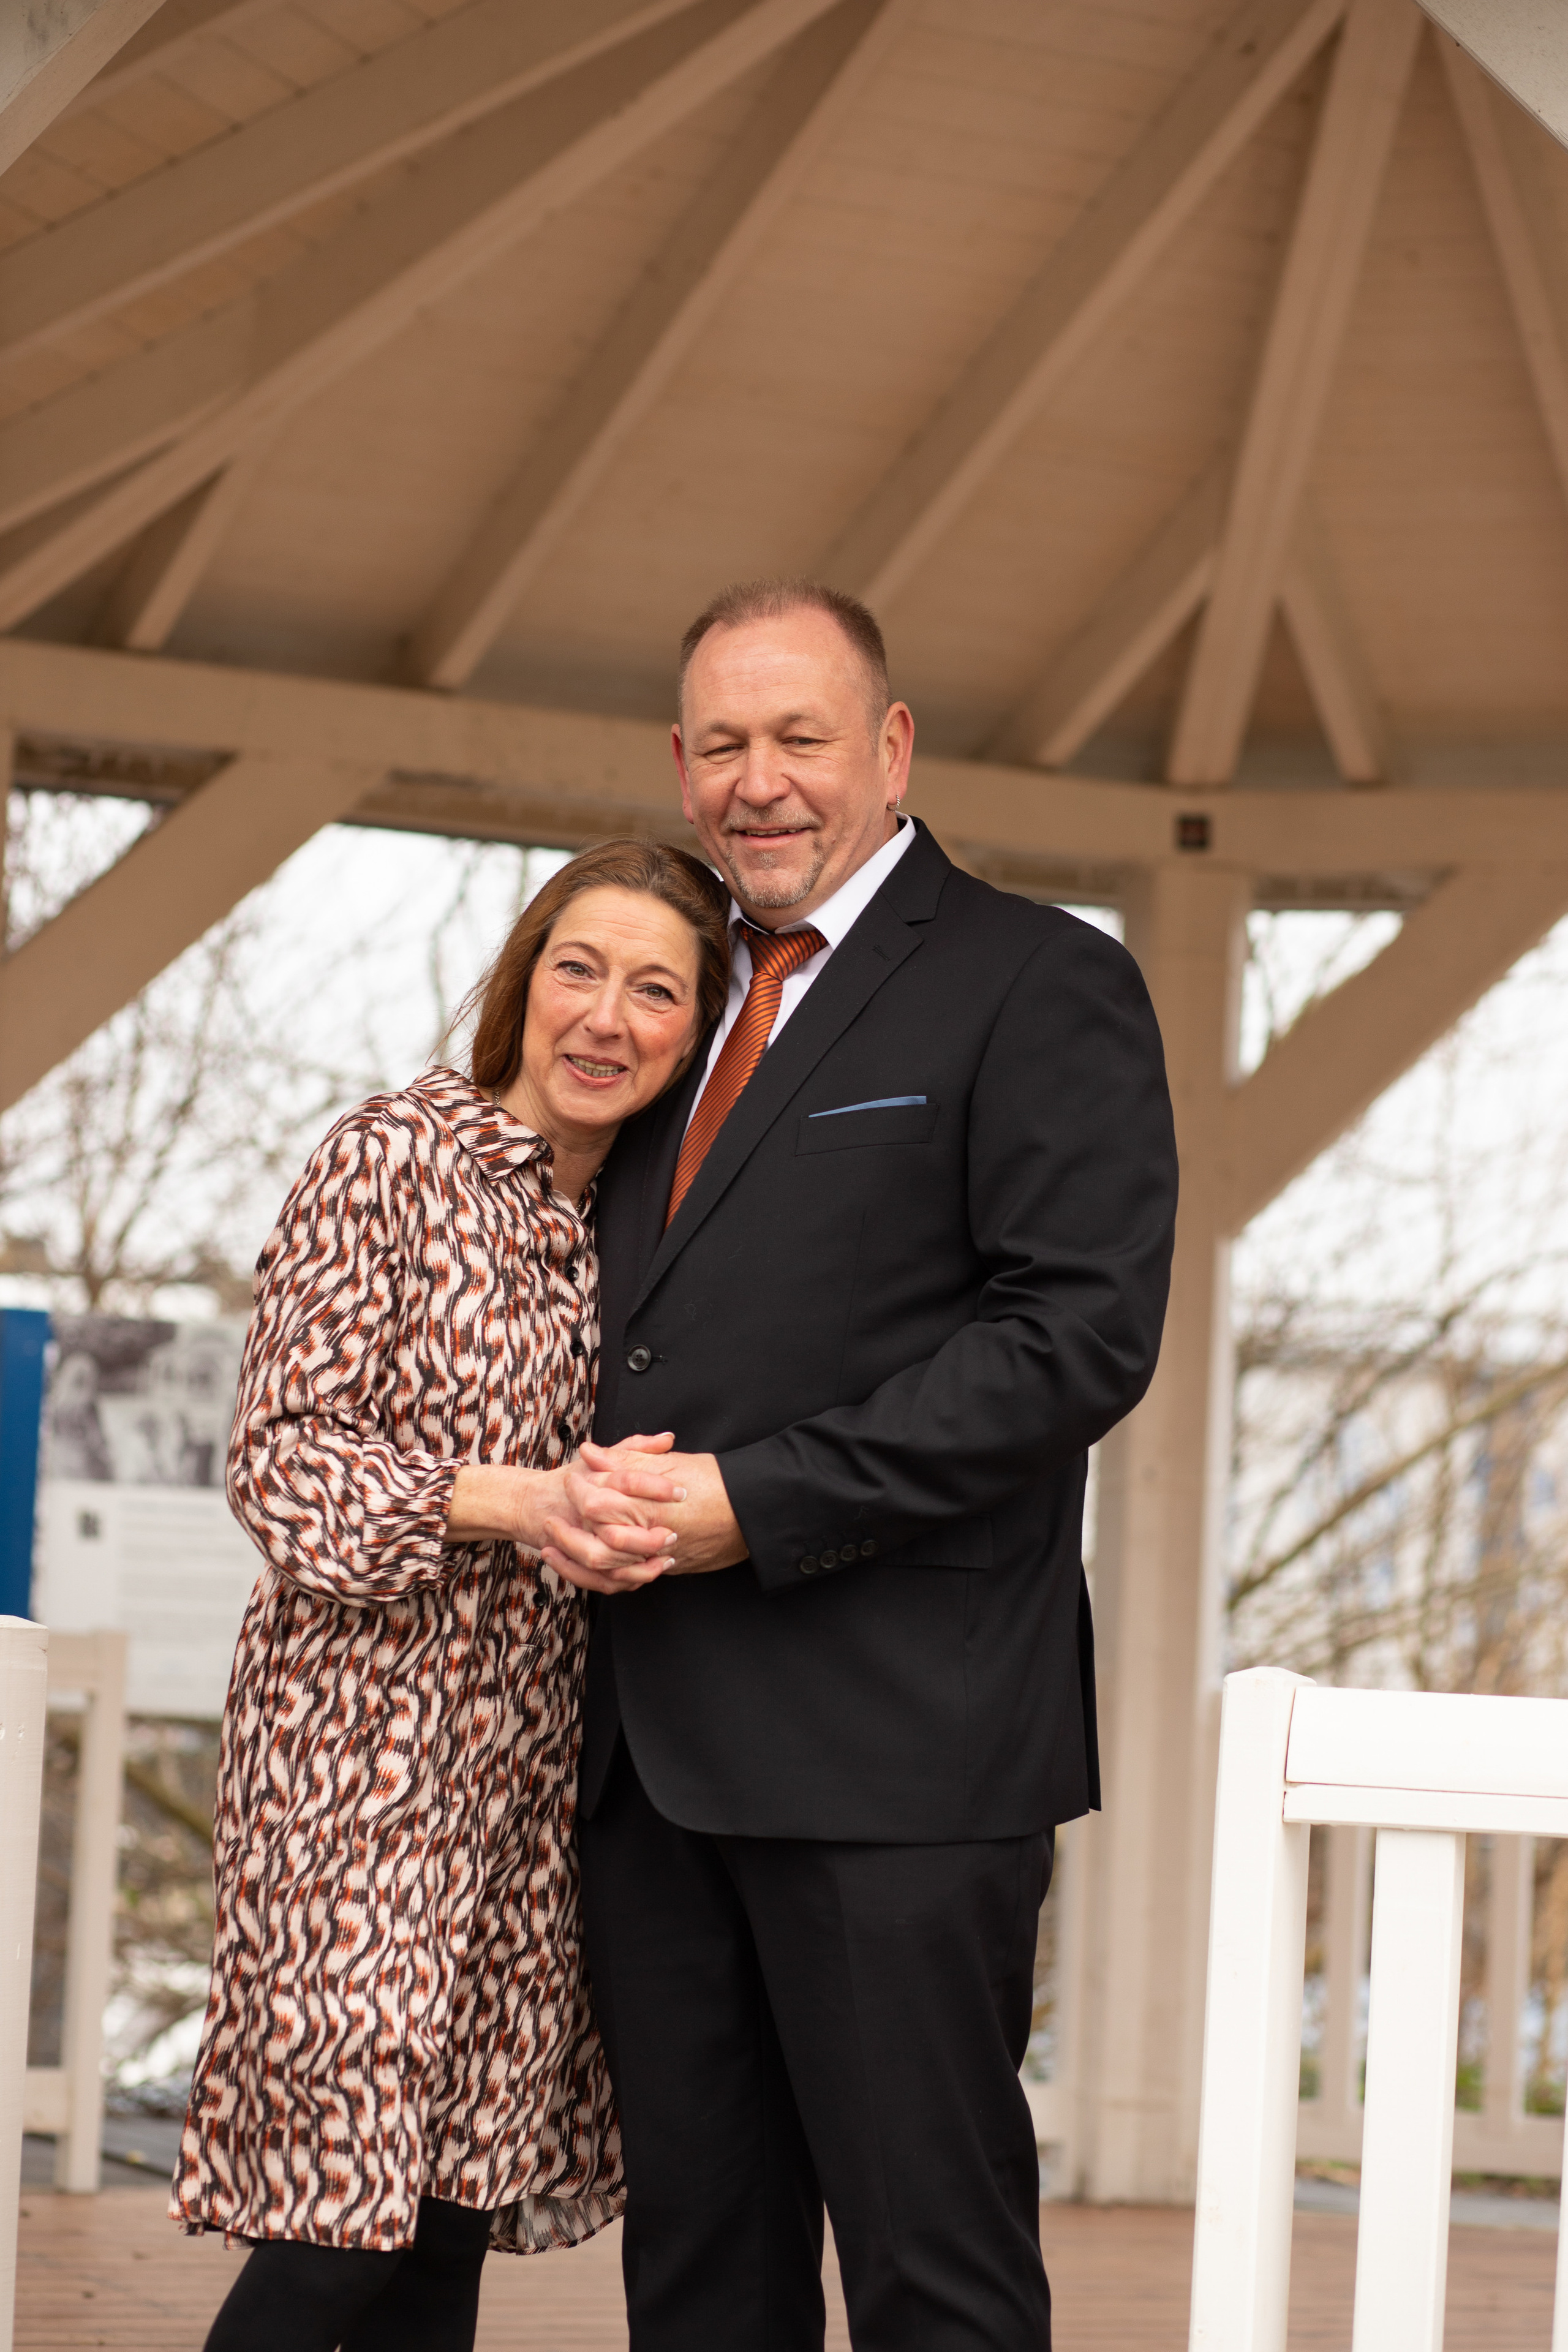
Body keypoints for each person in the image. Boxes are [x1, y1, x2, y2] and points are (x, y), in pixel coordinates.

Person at [560, 581, 1179, 2352]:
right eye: (726, 745)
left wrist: (755, 1502)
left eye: (802, 738)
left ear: (891, 748)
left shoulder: (1040, 980)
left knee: (937, 2289)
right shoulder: (661, 1010)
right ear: (683, 766)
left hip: (904, 1763)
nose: (762, 782)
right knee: (700, 2288)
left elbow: (1075, 1340)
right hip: (648, 1766)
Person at [173, 840, 728, 2352]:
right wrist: (520, 1499)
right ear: (521, 981)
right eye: (578, 969)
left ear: (698, 1033)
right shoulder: (392, 1156)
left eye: (656, 990)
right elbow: (280, 1463)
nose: (606, 1018)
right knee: (337, 2224)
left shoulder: (647, 1230)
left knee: (441, 2231)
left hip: (534, 1780)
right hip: (353, 1762)